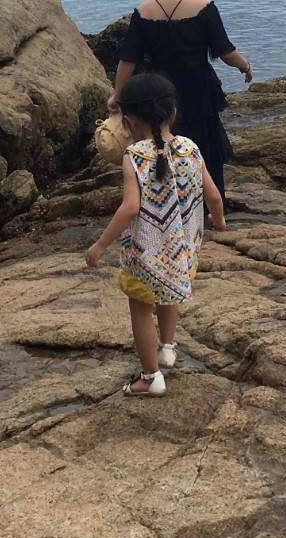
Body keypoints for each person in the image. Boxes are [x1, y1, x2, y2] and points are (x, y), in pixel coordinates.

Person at [85, 72, 225, 397]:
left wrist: (100, 244)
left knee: (141, 307)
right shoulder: (191, 148)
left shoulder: (134, 157)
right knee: (170, 291)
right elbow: (214, 195)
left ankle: (150, 377)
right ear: (172, 112)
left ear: (130, 121)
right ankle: (167, 347)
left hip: (144, 253)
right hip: (182, 249)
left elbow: (131, 208)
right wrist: (219, 223)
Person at [111, 0, 253, 199]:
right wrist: (244, 66)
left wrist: (118, 95)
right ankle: (210, 206)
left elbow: (128, 60)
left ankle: (166, 200)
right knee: (205, 147)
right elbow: (225, 51)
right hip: (199, 88)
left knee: (160, 144)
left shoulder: (143, 11)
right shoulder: (204, 6)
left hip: (158, 90)